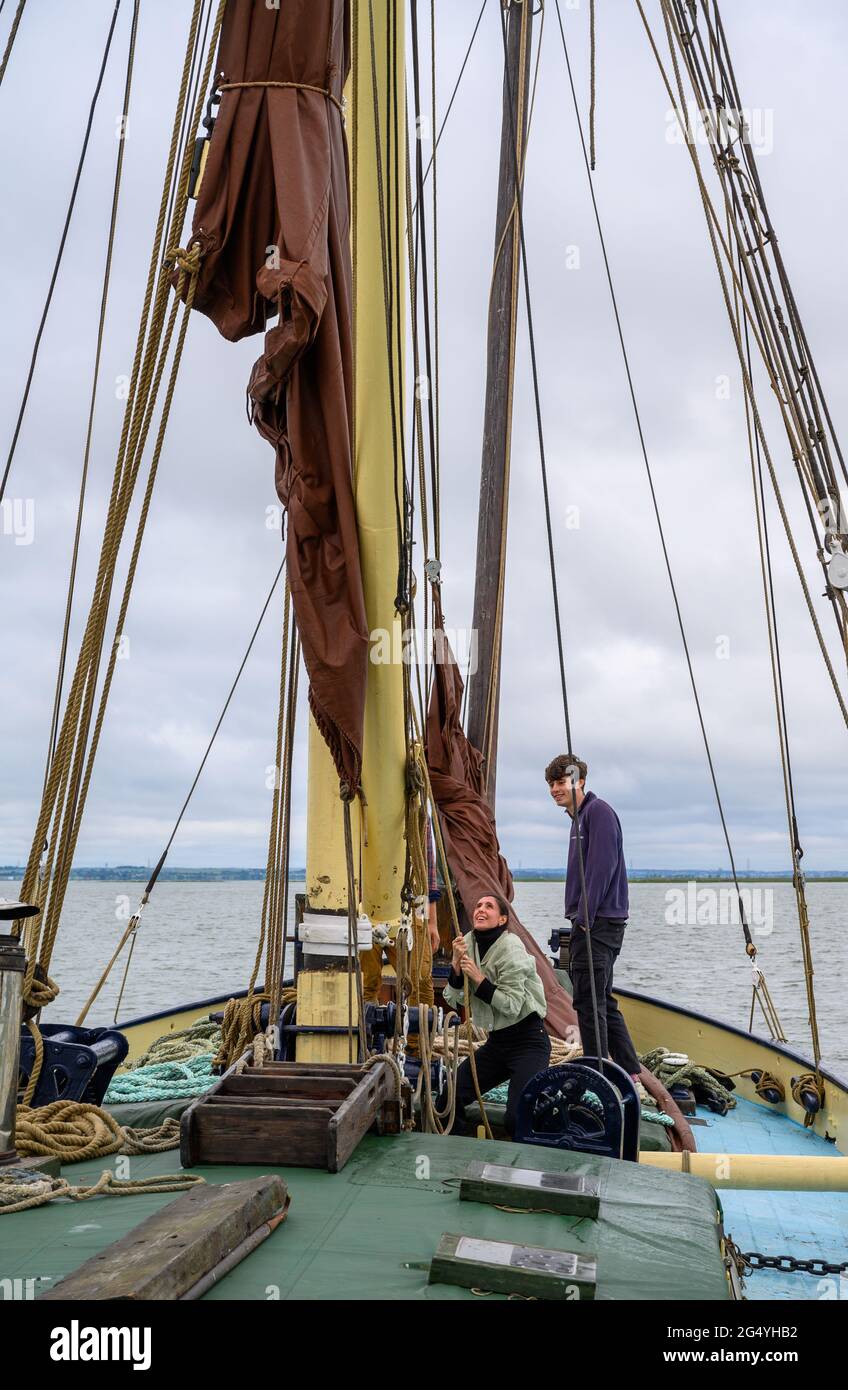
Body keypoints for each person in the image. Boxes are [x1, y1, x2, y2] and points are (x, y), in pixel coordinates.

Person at [545, 753, 640, 1079]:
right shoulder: (578, 819)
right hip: (595, 922)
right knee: (602, 1001)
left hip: (597, 924)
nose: (556, 789)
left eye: (562, 782)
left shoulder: (597, 813)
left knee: (588, 1003)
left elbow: (602, 868)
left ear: (580, 781)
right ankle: (630, 1071)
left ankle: (598, 1076)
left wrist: (584, 919)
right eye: (552, 784)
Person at [443, 892, 550, 1136]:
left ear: (502, 919)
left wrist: (480, 981)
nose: (480, 909)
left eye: (489, 906)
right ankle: (455, 1156)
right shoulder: (465, 943)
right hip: (497, 1043)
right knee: (450, 1097)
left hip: (529, 1042)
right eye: (478, 905)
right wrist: (456, 968)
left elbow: (512, 1005)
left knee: (516, 1117)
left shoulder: (511, 949)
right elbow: (452, 998)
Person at [361, 815, 441, 1009]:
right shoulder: (357, 807)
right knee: (365, 982)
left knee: (420, 980)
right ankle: (365, 1034)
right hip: (364, 907)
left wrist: (430, 922)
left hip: (411, 906)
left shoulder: (418, 811)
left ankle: (418, 1039)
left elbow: (426, 872)